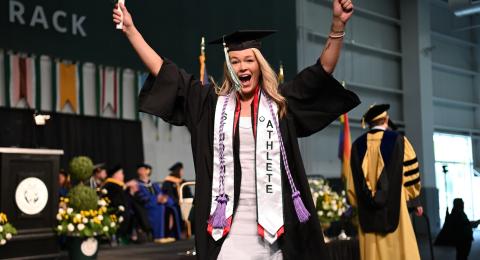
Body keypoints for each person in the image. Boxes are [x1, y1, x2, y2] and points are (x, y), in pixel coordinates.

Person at [113, 0, 359, 258]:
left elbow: (322, 71)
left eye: (249, 60)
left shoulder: (279, 105)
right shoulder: (211, 106)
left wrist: (337, 24)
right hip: (227, 230)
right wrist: (131, 30)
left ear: (259, 64)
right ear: (229, 67)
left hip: (275, 229)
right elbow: (166, 73)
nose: (242, 67)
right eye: (235, 61)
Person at [346, 104, 423, 260]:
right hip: (396, 212)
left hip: (367, 216)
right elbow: (411, 178)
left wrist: (361, 202)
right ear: (386, 119)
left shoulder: (356, 146)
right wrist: (412, 199)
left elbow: (352, 188)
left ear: (368, 123)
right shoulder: (400, 141)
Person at [135, 163, 181, 243]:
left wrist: (165, 199)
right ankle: (159, 235)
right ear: (138, 171)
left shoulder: (154, 185)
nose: (143, 171)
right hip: (148, 207)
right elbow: (141, 199)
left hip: (157, 204)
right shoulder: (138, 185)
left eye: (145, 169)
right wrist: (156, 199)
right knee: (161, 208)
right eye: (141, 169)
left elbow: (162, 195)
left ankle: (170, 235)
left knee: (171, 207)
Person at [102, 165, 137, 243]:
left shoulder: (118, 186)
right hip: (114, 213)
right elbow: (117, 202)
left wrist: (131, 193)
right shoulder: (110, 186)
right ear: (115, 175)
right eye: (121, 173)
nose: (123, 175)